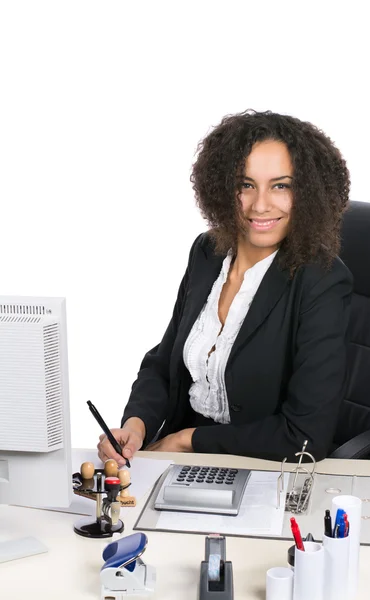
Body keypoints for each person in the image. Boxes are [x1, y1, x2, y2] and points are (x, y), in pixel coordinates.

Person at [97, 110, 353, 467]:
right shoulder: (208, 252)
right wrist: (136, 426)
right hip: (180, 462)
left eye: (281, 185)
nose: (260, 204)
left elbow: (303, 435)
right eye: (246, 185)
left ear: (307, 193)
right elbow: (163, 363)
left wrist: (187, 441)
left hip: (265, 467)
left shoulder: (321, 280)